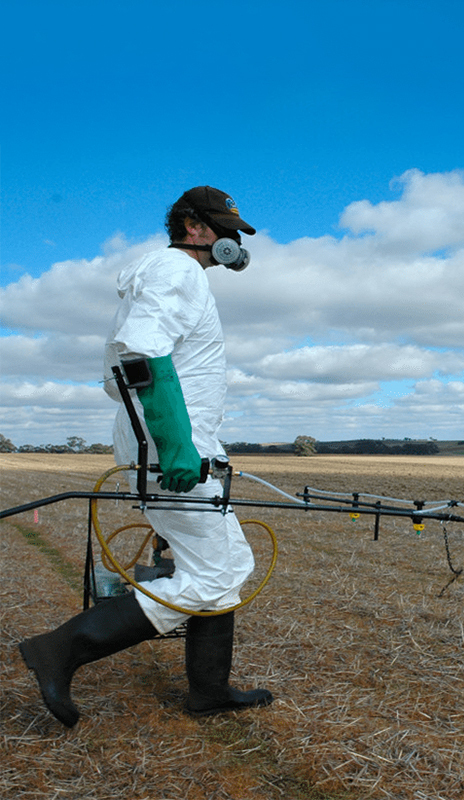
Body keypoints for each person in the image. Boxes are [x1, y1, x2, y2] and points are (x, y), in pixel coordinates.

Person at [18, 186, 272, 728]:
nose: (232, 240)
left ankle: (209, 690)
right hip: (172, 443)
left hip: (177, 438)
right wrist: (179, 447)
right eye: (224, 229)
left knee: (224, 565)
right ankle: (61, 649)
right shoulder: (176, 271)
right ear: (194, 227)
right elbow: (141, 350)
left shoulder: (176, 276)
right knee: (213, 574)